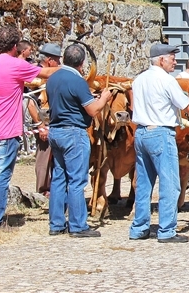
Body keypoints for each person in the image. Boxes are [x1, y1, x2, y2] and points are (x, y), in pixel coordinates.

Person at [0, 26, 58, 230]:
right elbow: (46, 72)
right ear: (14, 46)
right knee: (1, 175)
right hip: (5, 130)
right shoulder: (15, 65)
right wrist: (70, 67)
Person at [130, 44, 189, 243]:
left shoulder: (139, 79)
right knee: (170, 183)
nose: (175, 62)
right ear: (161, 60)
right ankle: (167, 230)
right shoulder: (167, 81)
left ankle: (139, 227)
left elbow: (135, 106)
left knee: (144, 183)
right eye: (172, 58)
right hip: (161, 132)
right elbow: (187, 106)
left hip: (142, 131)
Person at [45, 44, 112, 237]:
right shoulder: (78, 81)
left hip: (56, 130)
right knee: (76, 179)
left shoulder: (52, 78)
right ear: (82, 63)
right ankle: (77, 225)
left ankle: (56, 223)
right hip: (73, 132)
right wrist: (104, 98)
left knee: (59, 178)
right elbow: (93, 110)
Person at [32, 43, 62, 196]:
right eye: (58, 60)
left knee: (56, 157)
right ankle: (43, 189)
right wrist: (40, 124)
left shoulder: (52, 74)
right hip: (43, 121)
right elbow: (29, 101)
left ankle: (55, 187)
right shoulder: (34, 73)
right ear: (50, 60)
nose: (59, 64)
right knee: (44, 156)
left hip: (55, 121)